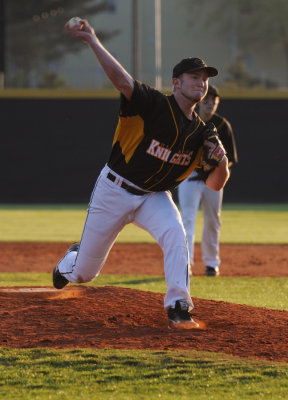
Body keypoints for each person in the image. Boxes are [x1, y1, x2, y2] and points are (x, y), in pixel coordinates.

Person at [53, 18, 230, 330]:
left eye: (204, 79)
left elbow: (215, 185)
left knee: (176, 234)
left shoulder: (202, 133)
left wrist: (222, 163)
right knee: (84, 275)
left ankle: (179, 306)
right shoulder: (153, 103)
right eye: (194, 77)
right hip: (115, 189)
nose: (200, 83)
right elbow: (122, 81)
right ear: (176, 82)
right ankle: (70, 261)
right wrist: (93, 40)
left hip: (154, 197)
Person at [178, 85, 238, 277]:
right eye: (207, 100)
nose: (210, 104)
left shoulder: (222, 126)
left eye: (214, 101)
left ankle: (212, 264)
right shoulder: (188, 120)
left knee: (213, 221)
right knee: (187, 219)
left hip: (212, 181)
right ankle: (185, 264)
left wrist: (214, 169)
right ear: (200, 100)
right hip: (189, 179)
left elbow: (230, 160)